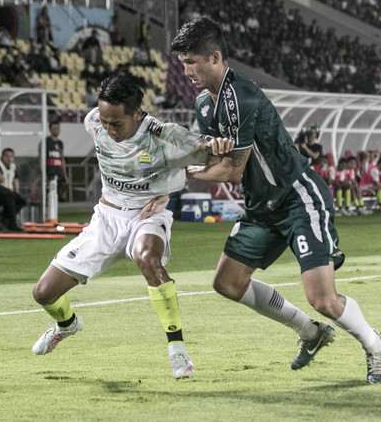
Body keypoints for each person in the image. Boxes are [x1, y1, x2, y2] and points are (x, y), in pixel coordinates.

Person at [170, 16, 381, 383]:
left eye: (191, 62)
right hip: (261, 207)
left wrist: (179, 174)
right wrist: (199, 158)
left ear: (215, 57)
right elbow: (216, 159)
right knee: (227, 283)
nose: (187, 70)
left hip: (296, 197)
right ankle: (310, 332)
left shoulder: (242, 95)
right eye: (183, 63)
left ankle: (374, 346)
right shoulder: (204, 106)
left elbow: (231, 171)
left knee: (323, 299)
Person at [30, 74, 233, 379]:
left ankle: (177, 350)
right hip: (107, 217)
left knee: (147, 258)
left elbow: (209, 158)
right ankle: (67, 324)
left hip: (148, 215)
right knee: (43, 293)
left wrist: (216, 146)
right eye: (105, 121)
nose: (109, 130)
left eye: (117, 124)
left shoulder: (166, 137)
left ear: (137, 113)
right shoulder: (93, 122)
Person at [44, 119, 68, 201]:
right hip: (50, 172)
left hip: (59, 172)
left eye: (58, 128)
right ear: (50, 129)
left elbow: (62, 159)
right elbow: (42, 158)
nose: (57, 130)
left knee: (60, 194)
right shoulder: (46, 141)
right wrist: (44, 173)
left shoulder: (60, 143)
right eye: (54, 128)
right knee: (49, 194)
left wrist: (65, 175)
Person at [0, 147, 27, 213]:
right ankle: (9, 218)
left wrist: (17, 193)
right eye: (6, 156)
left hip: (11, 191)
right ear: (2, 157)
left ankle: (6, 216)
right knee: (10, 202)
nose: (9, 158)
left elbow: (15, 180)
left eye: (11, 156)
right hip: (2, 192)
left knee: (22, 201)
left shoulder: (13, 166)